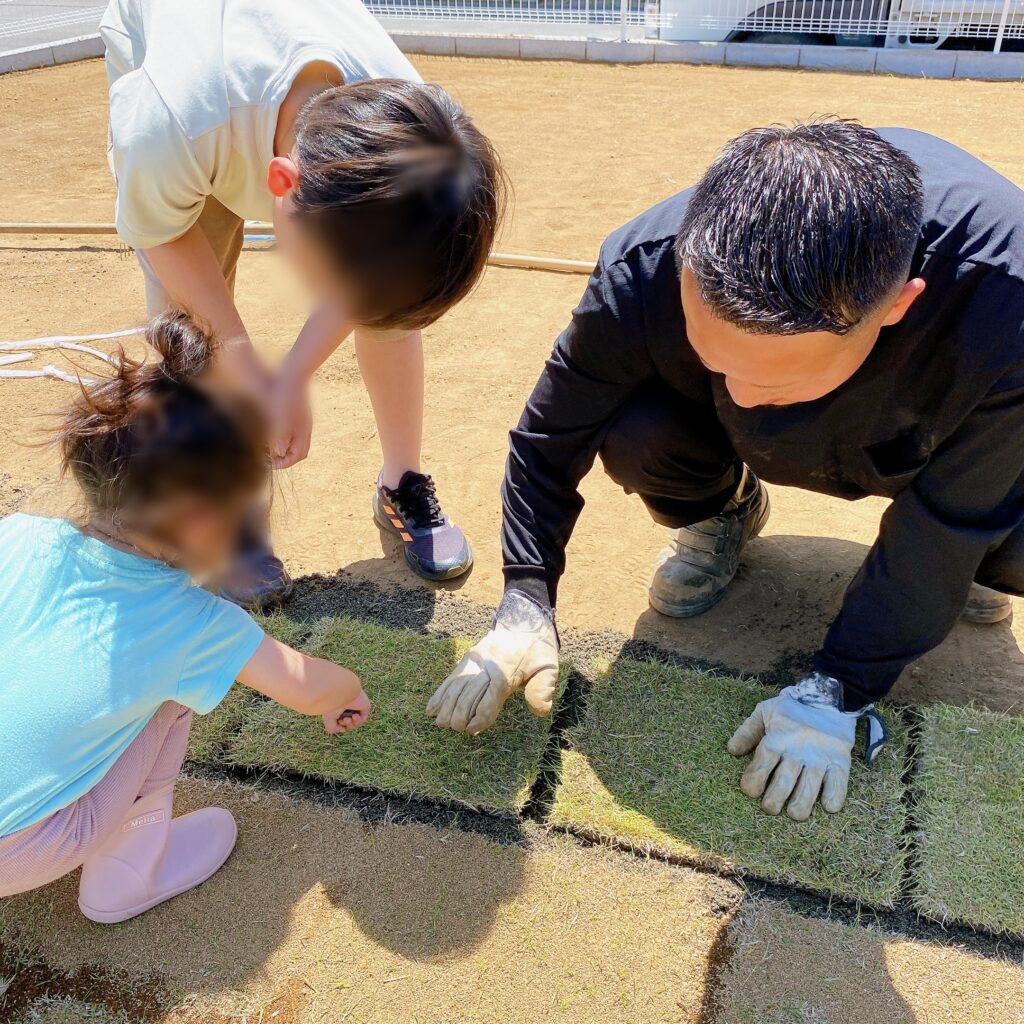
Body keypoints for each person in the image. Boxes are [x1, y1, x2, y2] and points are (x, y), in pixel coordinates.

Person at [428, 121, 1024, 822]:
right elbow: (549, 438)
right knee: (637, 430)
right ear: (685, 269)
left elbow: (949, 518)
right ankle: (724, 511)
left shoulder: (1006, 302)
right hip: (722, 423)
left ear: (897, 305)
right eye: (719, 360)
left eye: (777, 381)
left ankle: (977, 576)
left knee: (996, 538)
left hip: (928, 435)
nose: (742, 397)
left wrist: (841, 687)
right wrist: (527, 597)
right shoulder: (644, 265)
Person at [100, 0, 507, 606]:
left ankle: (401, 481)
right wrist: (238, 357)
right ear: (281, 186)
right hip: (187, 91)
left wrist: (290, 376)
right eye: (329, 285)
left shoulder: (417, 132)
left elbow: (374, 286)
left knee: (389, 287)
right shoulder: (169, 120)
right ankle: (221, 505)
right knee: (191, 330)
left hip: (256, 114)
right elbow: (159, 229)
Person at [0, 312, 371, 923]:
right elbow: (306, 687)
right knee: (171, 698)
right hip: (22, 850)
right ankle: (127, 875)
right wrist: (347, 690)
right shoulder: (191, 621)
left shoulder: (20, 534)